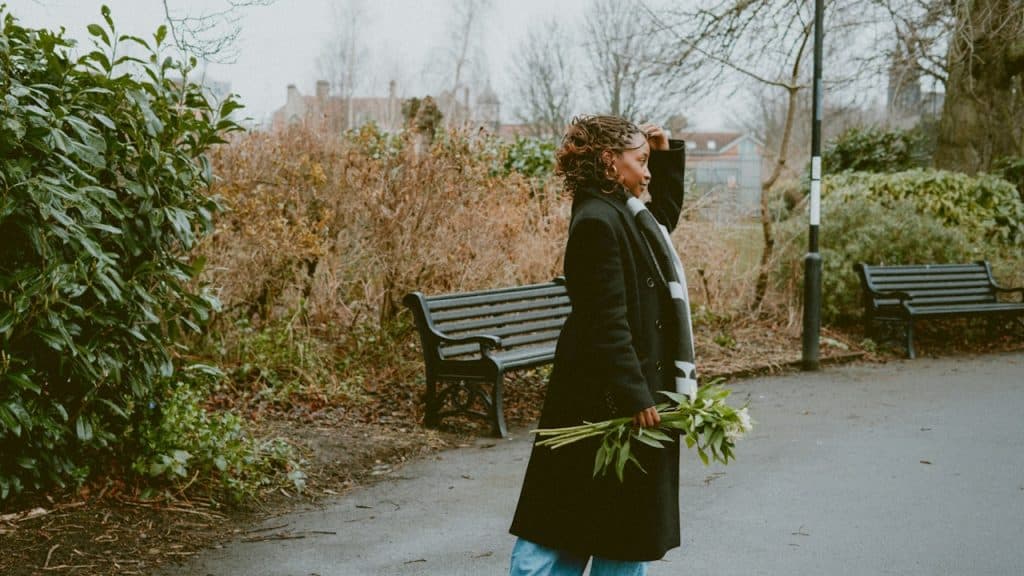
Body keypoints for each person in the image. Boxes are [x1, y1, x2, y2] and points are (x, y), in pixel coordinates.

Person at [508, 115, 689, 576]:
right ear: (610, 163)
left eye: (650, 163)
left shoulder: (623, 211)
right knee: (567, 521)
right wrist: (634, 392)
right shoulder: (596, 221)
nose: (647, 173)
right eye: (641, 161)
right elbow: (604, 321)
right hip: (598, 397)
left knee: (611, 523)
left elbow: (663, 219)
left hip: (618, 392)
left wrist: (664, 153)